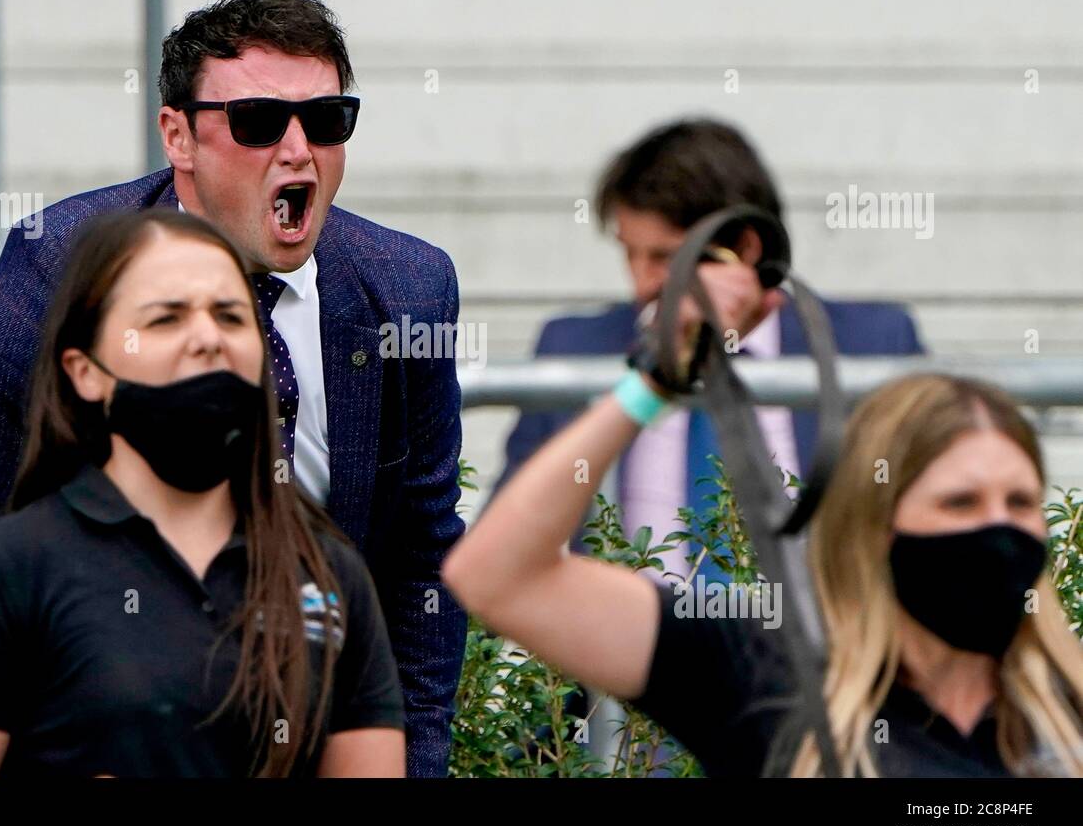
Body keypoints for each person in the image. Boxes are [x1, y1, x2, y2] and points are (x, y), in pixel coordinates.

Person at [0, 0, 467, 776]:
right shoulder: (60, 267)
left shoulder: (408, 288)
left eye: (328, 119)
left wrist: (418, 760)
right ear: (178, 134)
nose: (298, 148)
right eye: (259, 121)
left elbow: (421, 561)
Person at [444, 262, 1083, 777]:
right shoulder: (770, 673)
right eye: (960, 503)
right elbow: (498, 575)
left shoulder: (1065, 714)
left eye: (1021, 503)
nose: (998, 530)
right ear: (875, 521)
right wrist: (656, 382)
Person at [0, 209, 406, 777]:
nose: (208, 339)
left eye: (232, 316)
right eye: (166, 320)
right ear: (84, 371)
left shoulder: (327, 572)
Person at [498, 119, 924, 576]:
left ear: (744, 249)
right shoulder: (574, 349)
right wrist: (650, 376)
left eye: (664, 258)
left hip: (817, 643)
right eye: (629, 253)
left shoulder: (872, 345)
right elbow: (501, 543)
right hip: (627, 643)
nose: (640, 284)